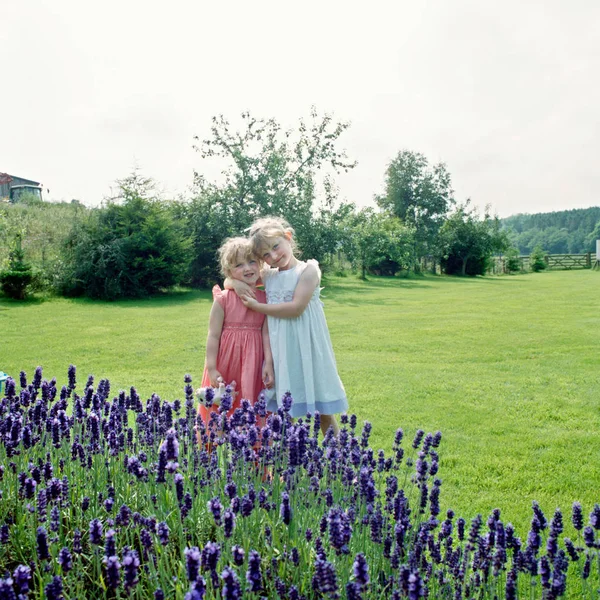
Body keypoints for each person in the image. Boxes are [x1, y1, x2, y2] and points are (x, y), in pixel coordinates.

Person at [228, 217, 347, 436]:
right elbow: (232, 279)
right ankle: (290, 465)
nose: (273, 256)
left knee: (323, 409)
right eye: (265, 255)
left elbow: (296, 308)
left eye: (275, 247)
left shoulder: (308, 271)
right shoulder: (269, 276)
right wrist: (234, 283)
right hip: (282, 350)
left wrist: (257, 306)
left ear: (288, 238)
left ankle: (340, 459)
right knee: (286, 409)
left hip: (308, 347)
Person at [198, 237, 274, 428]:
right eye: (239, 265)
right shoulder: (223, 299)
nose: (247, 268)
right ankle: (215, 444)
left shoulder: (266, 297)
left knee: (251, 397)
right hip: (226, 360)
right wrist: (212, 367)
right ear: (229, 272)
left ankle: (252, 444)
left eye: (252, 262)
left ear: (261, 265)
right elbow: (213, 335)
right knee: (222, 400)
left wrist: (269, 364)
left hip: (254, 360)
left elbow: (266, 334)